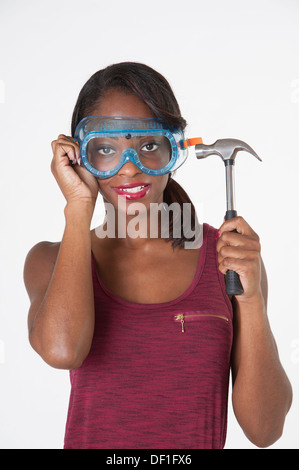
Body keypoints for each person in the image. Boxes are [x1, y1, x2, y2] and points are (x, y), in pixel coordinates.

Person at [23, 62, 292, 449]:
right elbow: (63, 351)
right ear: (79, 156)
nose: (129, 168)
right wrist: (79, 205)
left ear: (174, 147)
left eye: (148, 146)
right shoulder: (49, 261)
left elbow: (266, 430)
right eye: (105, 149)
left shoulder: (228, 261)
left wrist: (250, 300)